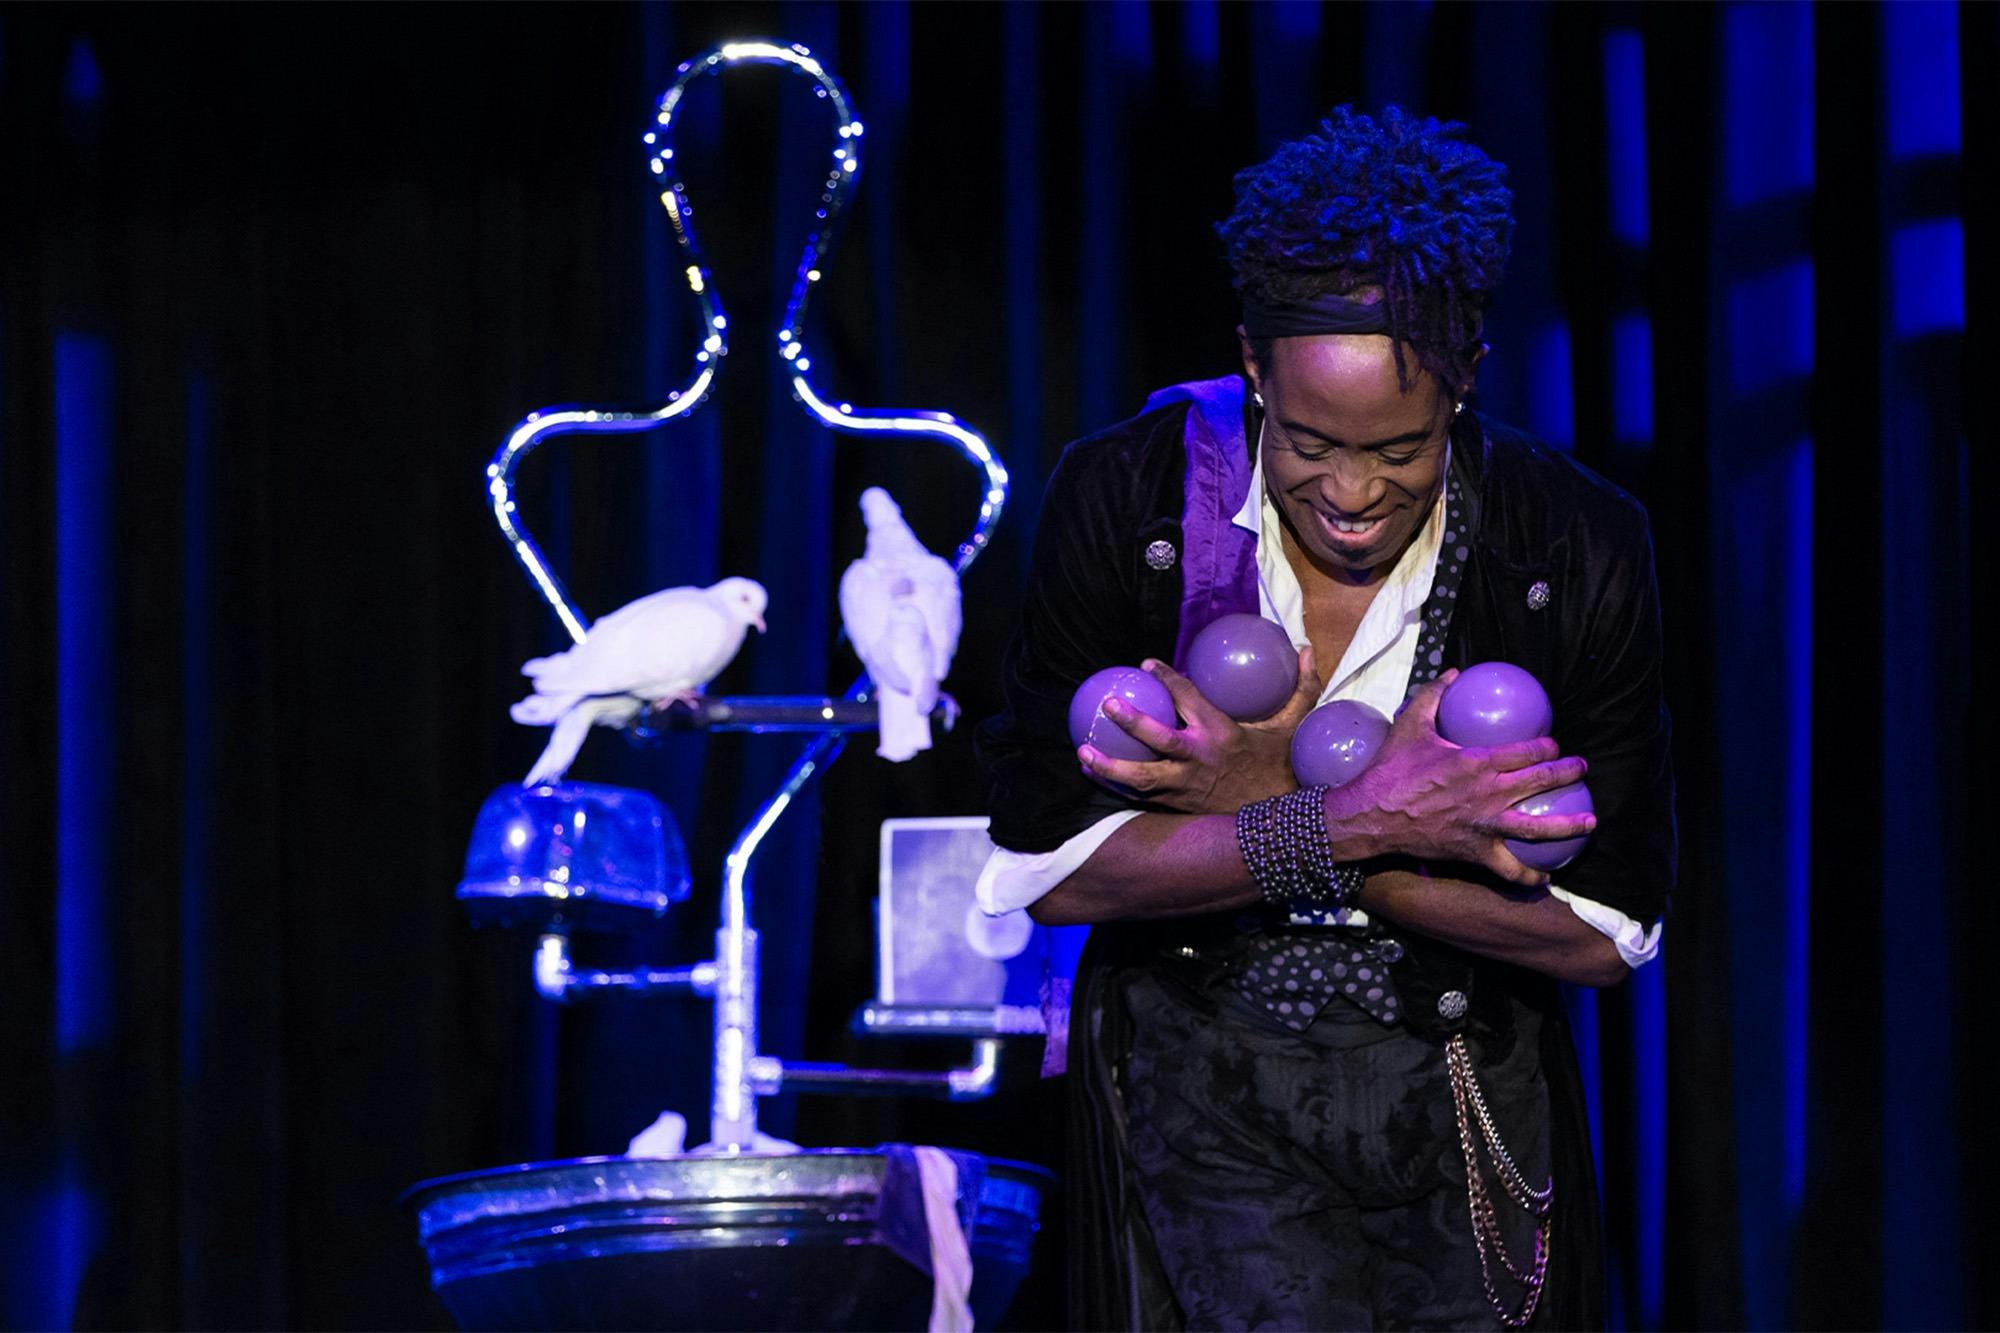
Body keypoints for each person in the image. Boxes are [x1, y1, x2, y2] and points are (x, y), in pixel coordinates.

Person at [975, 107, 1674, 1331]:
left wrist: (1254, 804)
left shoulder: (1572, 542)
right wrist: (1365, 822)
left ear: (1466, 378)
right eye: (1306, 444)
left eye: (1399, 450)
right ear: (1251, 363)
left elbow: (1600, 935)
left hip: (1465, 1110)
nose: (1350, 494)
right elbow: (1052, 870)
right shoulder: (1130, 500)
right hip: (1195, 1107)